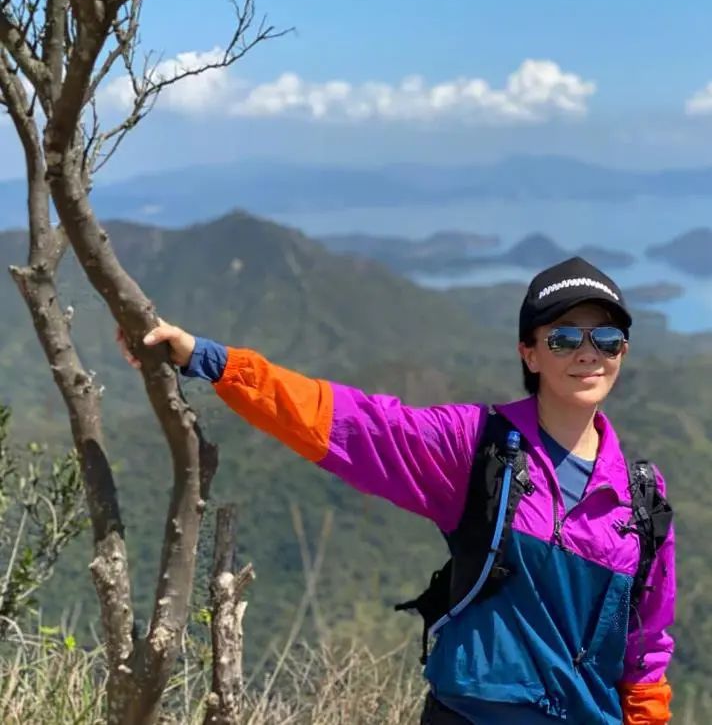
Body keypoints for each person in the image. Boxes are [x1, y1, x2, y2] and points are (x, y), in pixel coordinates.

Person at [120, 256, 675, 724]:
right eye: (562, 338)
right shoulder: (479, 448)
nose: (588, 353)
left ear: (622, 351)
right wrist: (207, 358)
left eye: (606, 338)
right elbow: (347, 423)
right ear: (528, 353)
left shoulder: (640, 496)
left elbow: (645, 649)